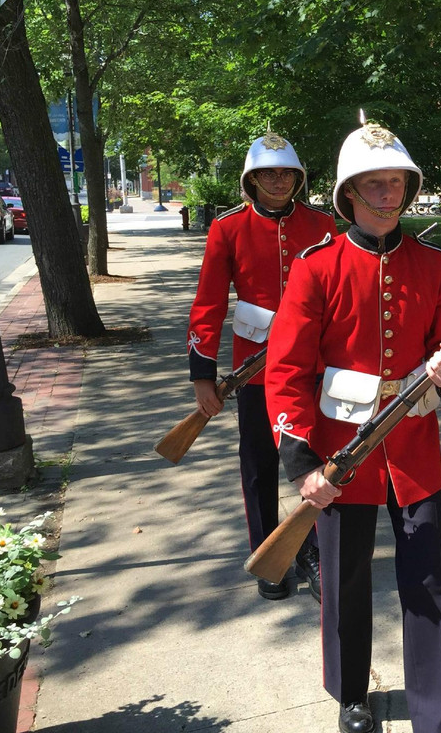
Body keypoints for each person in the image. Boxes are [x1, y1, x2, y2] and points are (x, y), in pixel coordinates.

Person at [265, 117, 441, 733]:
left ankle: (432, 709)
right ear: (348, 193)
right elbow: (287, 369)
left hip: (414, 449)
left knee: (427, 581)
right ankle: (351, 693)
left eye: (396, 182)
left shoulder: (436, 265)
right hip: (340, 452)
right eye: (374, 183)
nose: (387, 194)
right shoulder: (316, 267)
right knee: (345, 580)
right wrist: (302, 464)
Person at [187, 131, 339, 602]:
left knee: (318, 460)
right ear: (251, 180)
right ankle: (267, 554)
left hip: (315, 362)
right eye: (268, 174)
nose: (278, 181)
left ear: (299, 177)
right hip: (255, 367)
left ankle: (316, 551)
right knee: (258, 463)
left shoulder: (323, 224)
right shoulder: (228, 227)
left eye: (286, 173)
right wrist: (202, 374)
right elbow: (209, 303)